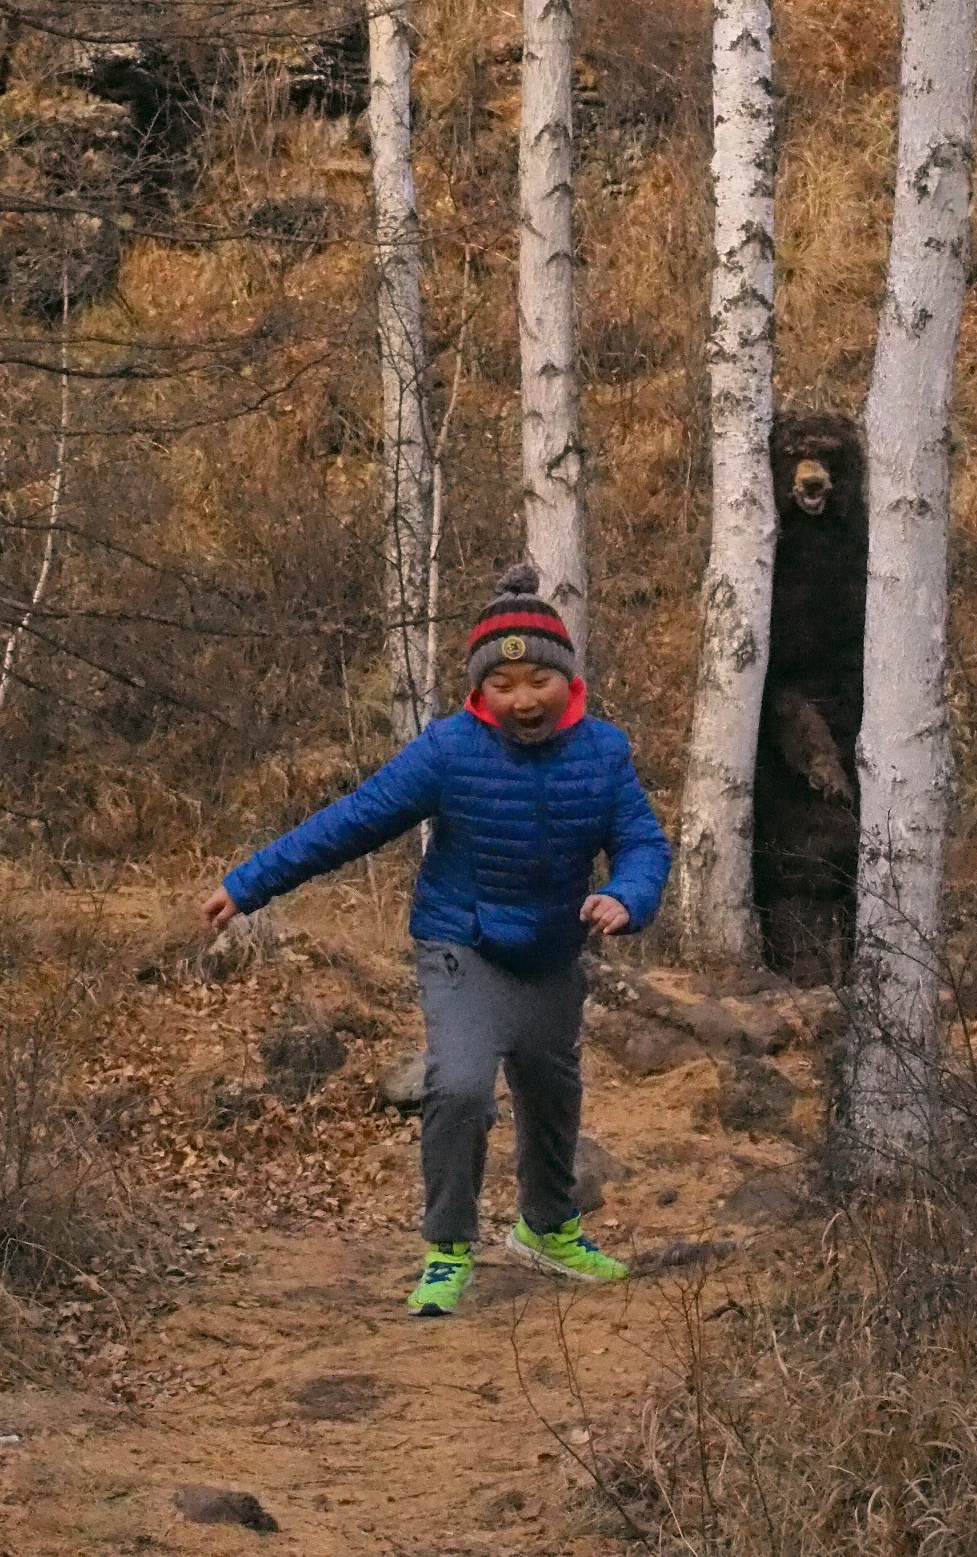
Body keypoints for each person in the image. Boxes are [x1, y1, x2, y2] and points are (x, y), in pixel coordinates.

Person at [199, 563, 672, 1317]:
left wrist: (626, 896)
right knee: (458, 1087)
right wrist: (249, 884)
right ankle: (450, 1248)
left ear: (568, 679)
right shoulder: (449, 750)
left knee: (552, 1094)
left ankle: (547, 1229)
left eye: (539, 682)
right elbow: (352, 821)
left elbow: (643, 843)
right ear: (479, 691)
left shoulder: (604, 752)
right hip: (463, 943)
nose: (523, 701)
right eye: (504, 687)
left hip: (554, 949)